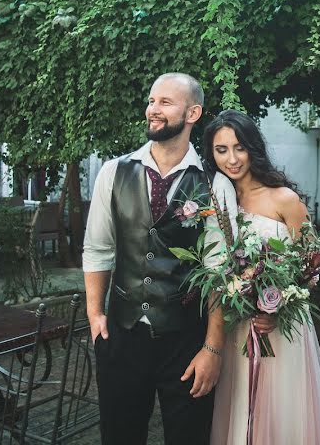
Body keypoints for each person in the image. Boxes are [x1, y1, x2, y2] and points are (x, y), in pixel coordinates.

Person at [83, 73, 238, 445]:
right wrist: (94, 314)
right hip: (122, 335)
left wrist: (213, 349)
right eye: (152, 101)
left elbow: (220, 272)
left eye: (165, 102)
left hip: (186, 341)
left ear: (192, 112)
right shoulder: (112, 172)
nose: (153, 109)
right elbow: (98, 248)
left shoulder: (215, 186)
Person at [204, 109, 320, 445]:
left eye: (239, 147)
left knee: (281, 413)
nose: (232, 159)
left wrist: (279, 307)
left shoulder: (284, 199)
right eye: (221, 150)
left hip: (280, 330)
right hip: (238, 327)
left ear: (253, 147)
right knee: (241, 407)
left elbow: (314, 264)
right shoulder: (218, 203)